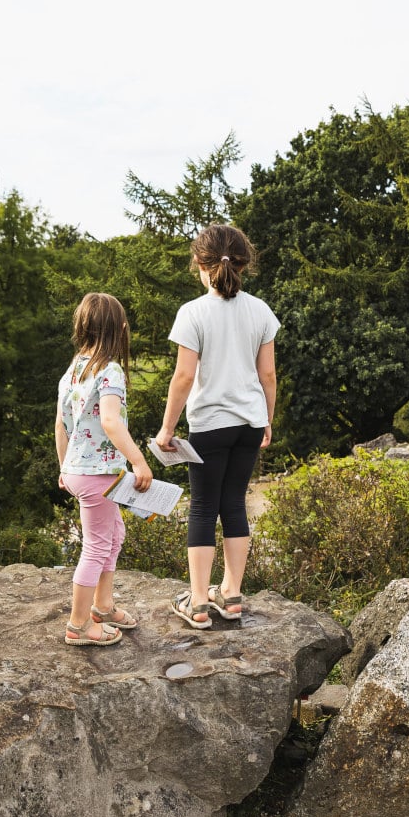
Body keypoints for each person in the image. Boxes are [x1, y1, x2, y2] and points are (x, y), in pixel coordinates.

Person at [155, 225, 279, 630]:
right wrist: (267, 421)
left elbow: (183, 378)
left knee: (204, 508)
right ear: (243, 264)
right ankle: (231, 595)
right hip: (248, 422)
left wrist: (167, 428)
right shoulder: (261, 310)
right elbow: (269, 375)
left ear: (200, 265)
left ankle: (197, 603)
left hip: (209, 424)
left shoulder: (193, 312)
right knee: (235, 504)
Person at [55, 293, 154, 646]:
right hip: (98, 473)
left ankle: (103, 606)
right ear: (121, 329)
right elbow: (111, 422)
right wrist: (140, 461)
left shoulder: (72, 371)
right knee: (97, 546)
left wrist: (64, 467)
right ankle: (79, 625)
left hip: (84, 471)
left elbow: (60, 425)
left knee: (114, 536)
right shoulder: (109, 370)